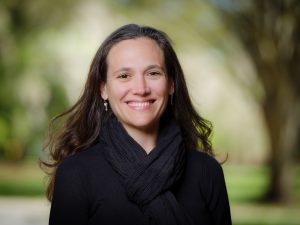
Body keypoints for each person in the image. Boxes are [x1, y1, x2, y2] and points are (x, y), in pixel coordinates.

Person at [42, 24, 231, 225]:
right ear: (103, 89)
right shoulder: (76, 173)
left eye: (153, 73)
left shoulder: (206, 171)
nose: (140, 88)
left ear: (171, 84)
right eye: (124, 76)